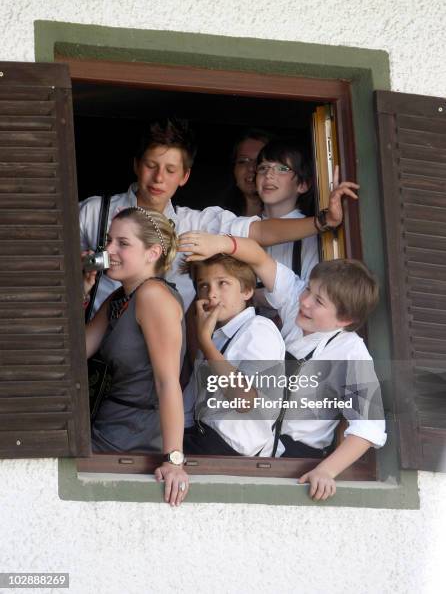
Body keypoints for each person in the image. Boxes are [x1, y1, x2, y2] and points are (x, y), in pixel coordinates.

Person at [178, 232, 387, 501]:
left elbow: (368, 428)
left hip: (296, 464)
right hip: (250, 449)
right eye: (309, 289)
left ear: (345, 319)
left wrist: (326, 471)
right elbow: (259, 258)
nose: (305, 301)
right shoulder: (295, 305)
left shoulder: (352, 354)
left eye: (318, 301)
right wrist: (221, 244)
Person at [79, 118, 358, 314]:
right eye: (151, 166)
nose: (159, 178)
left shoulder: (197, 223)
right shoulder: (95, 212)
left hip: (175, 360)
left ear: (185, 176)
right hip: (104, 354)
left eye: (171, 170)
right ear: (137, 165)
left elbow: (259, 232)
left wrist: (323, 222)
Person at [83, 207, 189, 506]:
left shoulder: (152, 296)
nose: (110, 250)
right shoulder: (120, 297)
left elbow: (167, 383)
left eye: (123, 243)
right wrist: (82, 291)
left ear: (152, 252)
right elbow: (77, 354)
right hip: (107, 424)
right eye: (109, 241)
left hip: (133, 434)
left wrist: (174, 460)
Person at [182, 254, 285, 456]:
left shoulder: (259, 330)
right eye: (203, 285)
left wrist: (203, 340)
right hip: (199, 436)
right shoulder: (215, 337)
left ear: (246, 291)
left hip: (232, 451)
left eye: (222, 283)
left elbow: (244, 400)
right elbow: (189, 405)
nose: (211, 294)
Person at [256, 138, 319, 282]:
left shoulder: (312, 235)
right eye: (263, 168)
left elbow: (309, 294)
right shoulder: (243, 227)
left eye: (282, 169)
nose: (269, 175)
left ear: (303, 184)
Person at [221, 129, 271, 217]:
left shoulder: (292, 222)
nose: (251, 168)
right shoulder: (217, 218)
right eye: (243, 161)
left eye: (259, 161)